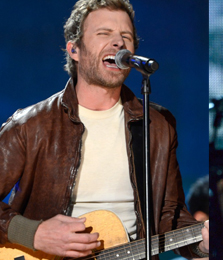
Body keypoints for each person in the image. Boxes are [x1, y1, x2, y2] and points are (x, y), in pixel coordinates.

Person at [0, 0, 209, 259]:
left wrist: (203, 244)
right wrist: (34, 233)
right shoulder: (30, 126)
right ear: (74, 49)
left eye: (126, 36)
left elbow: (171, 216)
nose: (118, 43)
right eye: (104, 34)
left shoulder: (158, 125)